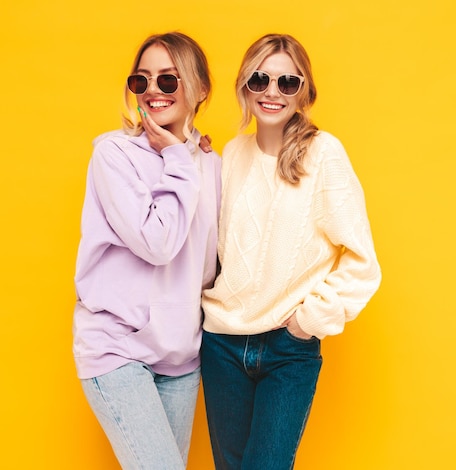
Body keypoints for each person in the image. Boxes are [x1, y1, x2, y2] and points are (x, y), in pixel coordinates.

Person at [200, 33, 382, 470]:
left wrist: (308, 321)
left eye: (287, 82)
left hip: (288, 350)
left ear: (305, 91)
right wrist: (193, 158)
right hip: (222, 344)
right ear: (244, 85)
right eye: (260, 79)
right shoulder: (231, 154)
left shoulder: (323, 154)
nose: (272, 92)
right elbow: (214, 246)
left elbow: (362, 260)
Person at [72, 32, 221, 469]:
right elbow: (158, 243)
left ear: (201, 89)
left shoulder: (211, 165)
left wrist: (190, 156)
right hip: (117, 348)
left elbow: (209, 263)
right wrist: (177, 158)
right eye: (142, 81)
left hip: (180, 355)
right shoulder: (113, 155)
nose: (153, 91)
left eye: (169, 80)